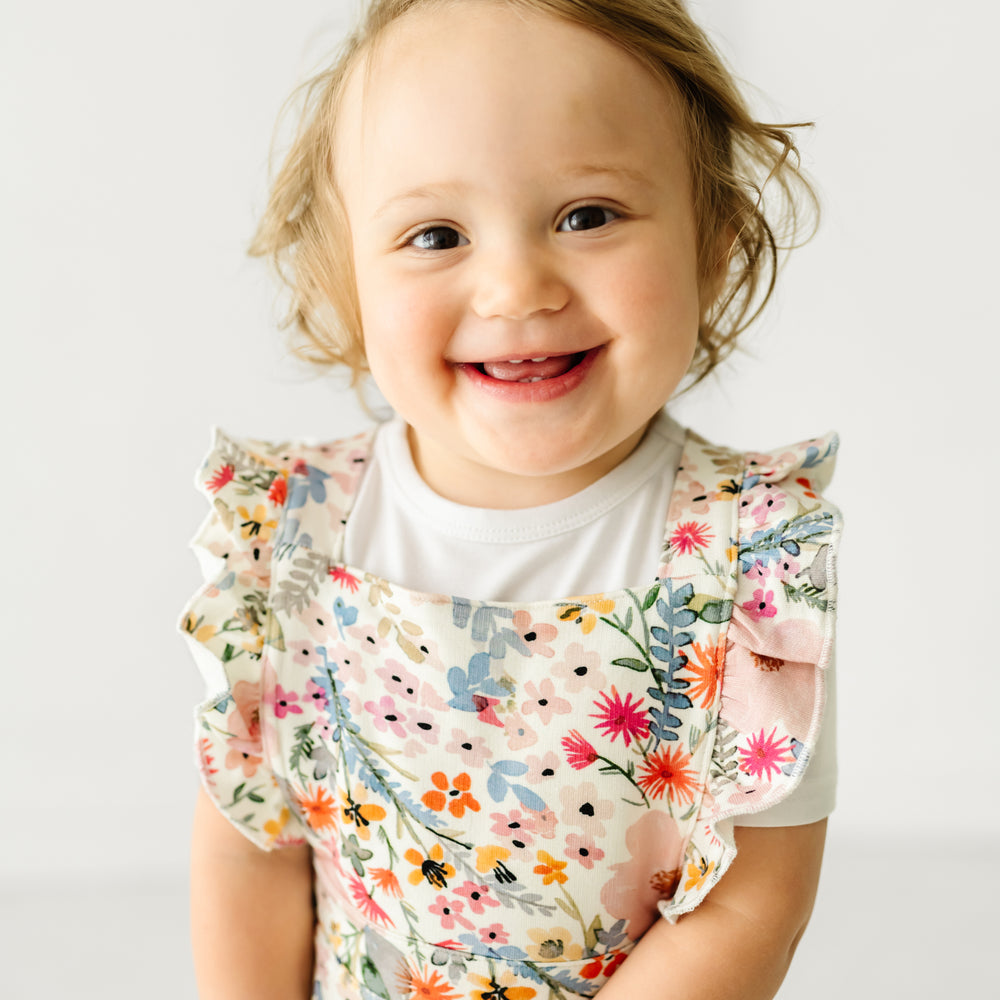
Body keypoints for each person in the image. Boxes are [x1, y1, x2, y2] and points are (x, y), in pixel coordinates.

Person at [181, 1, 841, 997]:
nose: (515, 288)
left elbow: (753, 904)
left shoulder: (747, 559)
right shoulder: (293, 534)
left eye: (587, 215)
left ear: (713, 243)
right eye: (436, 233)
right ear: (346, 283)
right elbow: (251, 846)